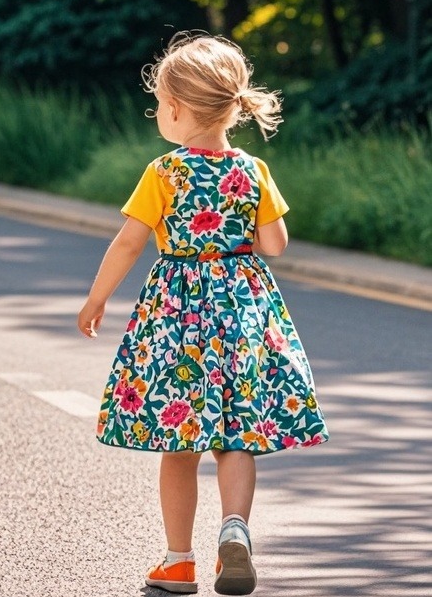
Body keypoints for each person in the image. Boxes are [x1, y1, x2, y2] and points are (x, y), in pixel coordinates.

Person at [76, 33, 328, 596]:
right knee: (236, 435)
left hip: (178, 315)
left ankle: (178, 561)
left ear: (176, 109)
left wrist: (97, 299)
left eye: (160, 103)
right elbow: (276, 243)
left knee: (180, 440)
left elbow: (127, 243)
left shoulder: (164, 172)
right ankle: (234, 529)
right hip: (242, 308)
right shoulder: (253, 170)